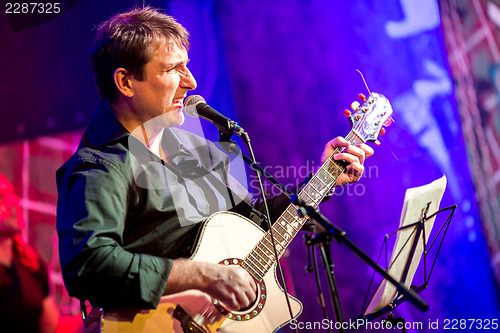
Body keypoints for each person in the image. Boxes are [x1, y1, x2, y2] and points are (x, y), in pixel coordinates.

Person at [56, 5, 372, 323]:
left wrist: (323, 178)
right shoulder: (99, 167)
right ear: (125, 82)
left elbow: (250, 223)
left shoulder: (190, 151)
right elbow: (88, 264)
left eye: (187, 67)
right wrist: (203, 275)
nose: (191, 82)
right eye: (171, 69)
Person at [0, 174, 59, 333]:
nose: (14, 202)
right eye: (1, 197)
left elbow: (50, 323)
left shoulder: (30, 263)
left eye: (11, 194)